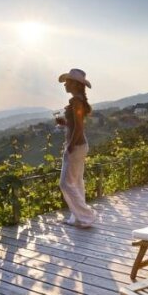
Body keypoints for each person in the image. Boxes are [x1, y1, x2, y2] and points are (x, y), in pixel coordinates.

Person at [55, 68, 97, 228]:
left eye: (67, 81)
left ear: (75, 84)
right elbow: (75, 125)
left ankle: (87, 216)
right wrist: (65, 123)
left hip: (76, 146)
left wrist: (70, 146)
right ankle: (79, 218)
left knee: (65, 184)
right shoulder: (78, 100)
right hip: (80, 145)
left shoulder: (76, 102)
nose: (65, 84)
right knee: (77, 182)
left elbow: (79, 128)